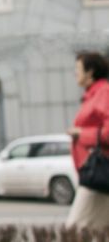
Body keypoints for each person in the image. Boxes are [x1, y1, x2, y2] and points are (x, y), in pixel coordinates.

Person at [66, 51, 109, 229]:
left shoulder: (103, 92)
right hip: (96, 174)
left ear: (90, 72)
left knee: (75, 229)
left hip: (99, 175)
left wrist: (81, 133)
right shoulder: (93, 95)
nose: (75, 73)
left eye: (78, 69)